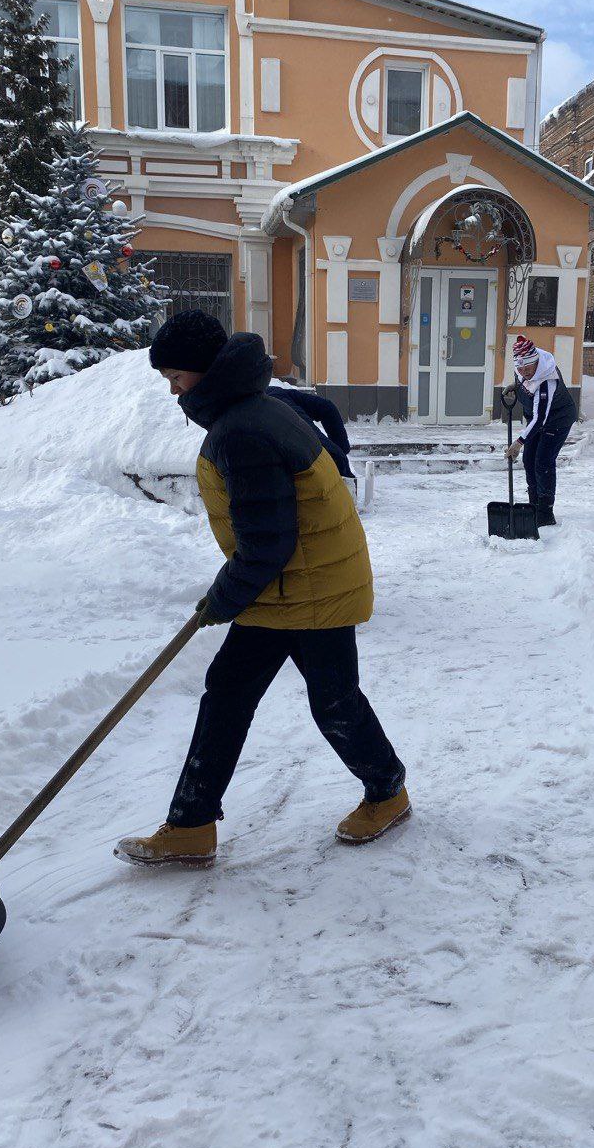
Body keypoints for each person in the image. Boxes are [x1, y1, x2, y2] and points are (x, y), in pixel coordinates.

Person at [115, 311, 409, 867]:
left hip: (309, 588)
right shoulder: (250, 407)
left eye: (176, 375)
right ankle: (190, 824)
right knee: (229, 690)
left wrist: (221, 600)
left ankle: (387, 790)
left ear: (205, 371)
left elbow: (267, 543)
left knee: (332, 698)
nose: (172, 387)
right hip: (290, 585)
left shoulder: (242, 430)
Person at [504, 334, 578, 528]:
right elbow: (526, 380)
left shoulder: (547, 380)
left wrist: (518, 443)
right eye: (520, 369)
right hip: (539, 419)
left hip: (557, 419)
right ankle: (533, 506)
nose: (524, 372)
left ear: (536, 362)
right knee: (529, 460)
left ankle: (545, 513)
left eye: (527, 368)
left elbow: (540, 418)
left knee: (543, 461)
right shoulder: (523, 369)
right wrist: (518, 386)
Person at [268, 383, 354, 478]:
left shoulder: (254, 407)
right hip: (331, 461)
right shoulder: (276, 393)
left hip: (302, 471)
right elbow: (327, 407)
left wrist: (340, 451)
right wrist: (339, 451)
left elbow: (326, 408)